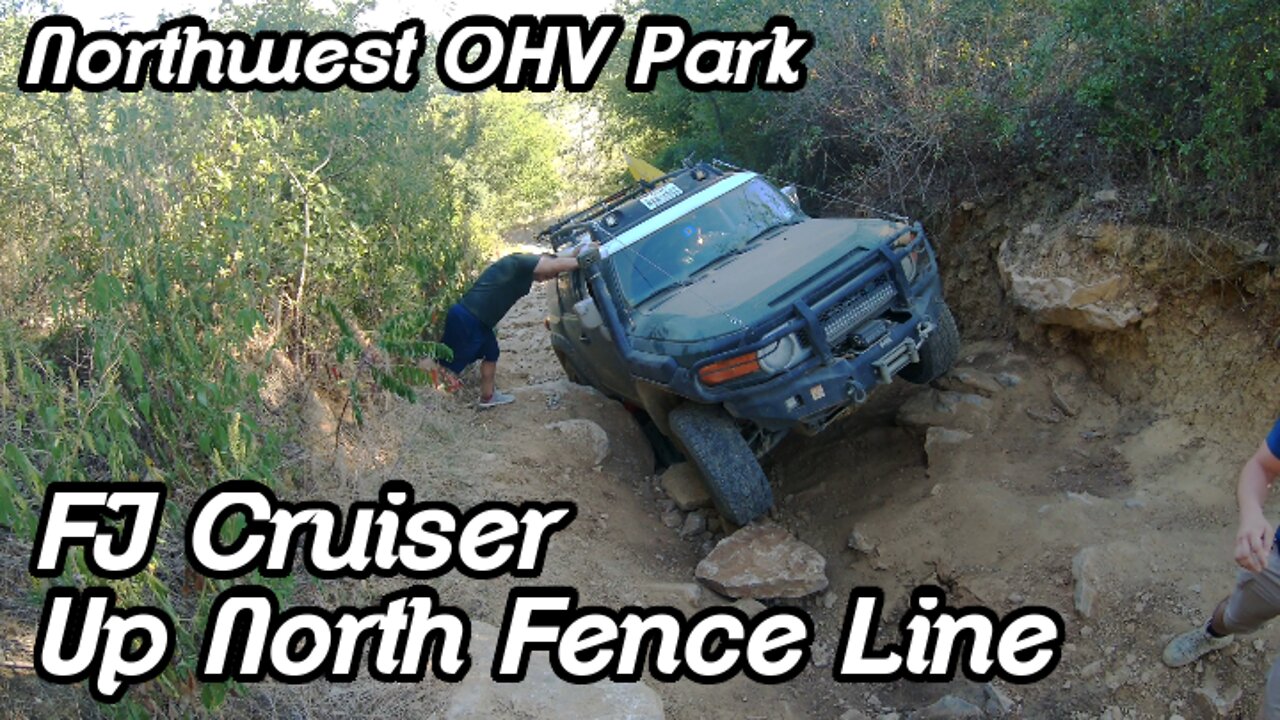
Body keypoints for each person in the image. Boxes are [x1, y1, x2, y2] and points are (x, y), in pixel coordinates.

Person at [1163, 418, 1280, 717]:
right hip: (1276, 562)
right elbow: (1263, 466)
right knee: (1234, 616)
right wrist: (1252, 515)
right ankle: (1214, 633)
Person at [438, 250, 585, 408]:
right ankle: (436, 401)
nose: (550, 277)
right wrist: (585, 260)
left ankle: (488, 397)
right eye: (551, 274)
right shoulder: (522, 262)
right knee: (448, 364)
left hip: (480, 322)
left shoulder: (524, 268)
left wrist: (578, 252)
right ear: (542, 260)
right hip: (468, 318)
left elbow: (556, 261)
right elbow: (553, 264)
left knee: (491, 353)